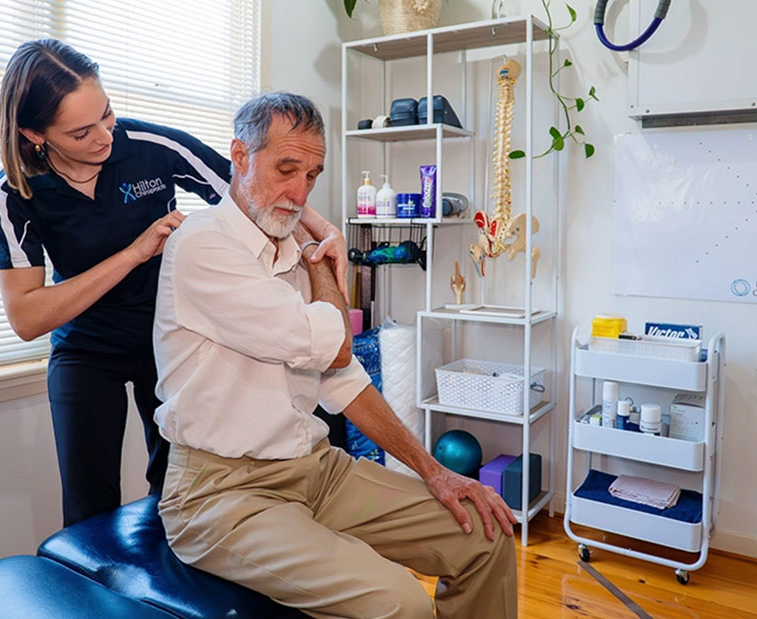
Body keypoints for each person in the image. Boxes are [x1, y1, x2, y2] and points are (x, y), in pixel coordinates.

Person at [153, 92, 517, 618]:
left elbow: (342, 377)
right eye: (285, 169)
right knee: (400, 603)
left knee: (486, 535)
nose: (298, 192)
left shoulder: (288, 248)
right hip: (222, 495)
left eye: (312, 176)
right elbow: (335, 341)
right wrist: (322, 250)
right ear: (238, 156)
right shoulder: (204, 246)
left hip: (315, 470)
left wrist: (434, 471)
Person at [0, 39, 348, 527]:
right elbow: (27, 317)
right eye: (80, 132)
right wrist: (134, 254)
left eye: (107, 114)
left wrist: (325, 234)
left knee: (172, 488)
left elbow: (254, 183)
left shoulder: (150, 148)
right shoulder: (16, 192)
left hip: (166, 339)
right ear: (35, 134)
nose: (103, 137)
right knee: (87, 502)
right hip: (86, 350)